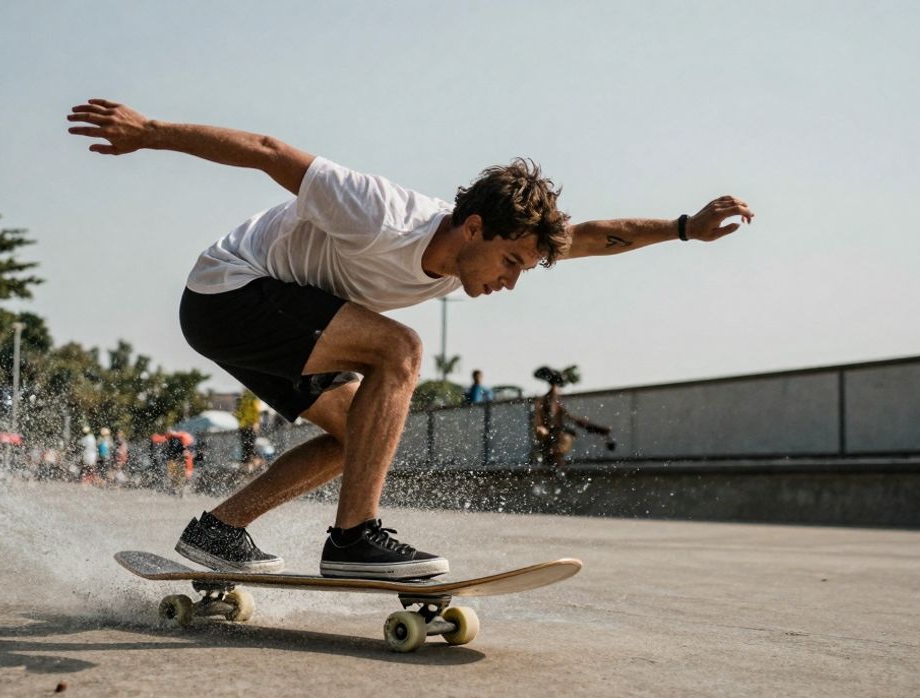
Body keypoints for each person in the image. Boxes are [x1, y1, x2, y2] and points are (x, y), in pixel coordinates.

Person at [67, 98, 753, 579]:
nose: (511, 282)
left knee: (354, 433)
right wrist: (149, 130)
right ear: (474, 228)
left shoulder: (483, 247)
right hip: (228, 291)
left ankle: (221, 528)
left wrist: (683, 227)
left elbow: (597, 234)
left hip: (275, 313)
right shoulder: (377, 211)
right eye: (511, 263)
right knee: (400, 350)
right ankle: (354, 537)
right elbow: (270, 152)